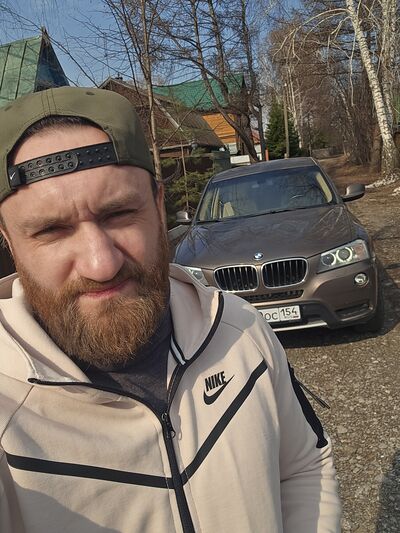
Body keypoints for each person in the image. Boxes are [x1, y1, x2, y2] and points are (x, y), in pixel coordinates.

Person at [0, 87, 341, 533]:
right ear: (8, 240)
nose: (102, 264)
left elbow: (303, 466)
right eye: (52, 231)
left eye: (120, 213)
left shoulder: (240, 329)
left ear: (159, 206)